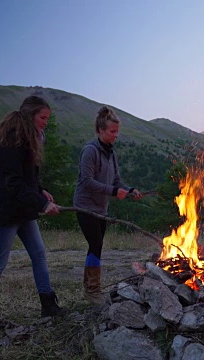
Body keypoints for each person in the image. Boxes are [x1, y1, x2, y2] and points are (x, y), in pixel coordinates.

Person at [0, 95, 65, 326]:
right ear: (30, 116)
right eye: (42, 117)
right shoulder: (12, 140)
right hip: (7, 212)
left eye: (47, 118)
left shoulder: (34, 137)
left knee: (39, 254)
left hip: (25, 210)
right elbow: (13, 183)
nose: (45, 122)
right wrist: (42, 205)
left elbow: (28, 176)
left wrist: (40, 190)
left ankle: (48, 304)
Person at [73, 106, 143, 305]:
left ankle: (89, 287)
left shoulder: (111, 154)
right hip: (85, 205)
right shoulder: (90, 151)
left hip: (101, 208)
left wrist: (129, 190)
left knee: (96, 246)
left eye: (117, 131)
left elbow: (117, 181)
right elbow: (86, 181)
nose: (116, 135)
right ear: (101, 131)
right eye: (112, 131)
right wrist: (113, 192)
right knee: (96, 244)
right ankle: (93, 291)